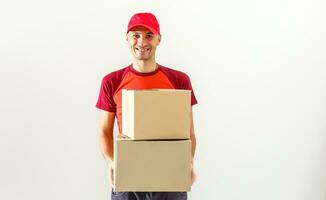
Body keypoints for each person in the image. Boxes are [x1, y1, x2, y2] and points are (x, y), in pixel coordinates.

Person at [96, 12, 198, 200]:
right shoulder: (112, 81)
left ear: (159, 39)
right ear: (127, 39)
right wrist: (112, 162)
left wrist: (188, 164)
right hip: (128, 177)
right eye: (136, 35)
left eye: (149, 36)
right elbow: (104, 130)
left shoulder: (179, 80)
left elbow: (188, 131)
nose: (142, 42)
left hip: (169, 176)